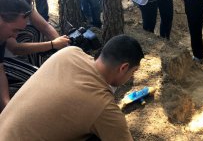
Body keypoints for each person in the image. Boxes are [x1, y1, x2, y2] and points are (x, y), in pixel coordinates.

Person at [0, 34, 144, 140]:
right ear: (124, 67)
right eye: (133, 71)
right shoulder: (103, 106)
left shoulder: (69, 52)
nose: (131, 77)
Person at [0, 0, 69, 87]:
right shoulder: (7, 13)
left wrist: (63, 47)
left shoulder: (23, 8)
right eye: (15, 30)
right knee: (35, 79)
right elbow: (15, 48)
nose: (15, 36)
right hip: (7, 54)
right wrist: (52, 44)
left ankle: (36, 66)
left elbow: (45, 26)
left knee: (34, 30)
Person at [0, 0, 32, 112]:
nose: (15, 36)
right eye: (15, 30)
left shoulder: (1, 36)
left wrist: (6, 105)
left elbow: (0, 70)